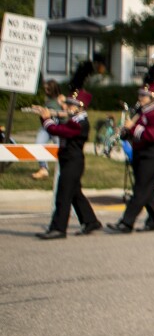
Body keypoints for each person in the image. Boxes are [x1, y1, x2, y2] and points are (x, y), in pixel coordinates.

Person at [29, 89, 102, 239]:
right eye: (68, 104)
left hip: (73, 162)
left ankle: (58, 228)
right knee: (75, 194)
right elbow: (60, 119)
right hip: (70, 161)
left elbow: (56, 130)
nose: (67, 107)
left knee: (63, 196)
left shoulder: (79, 123)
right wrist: (47, 114)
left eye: (71, 104)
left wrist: (46, 119)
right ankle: (90, 221)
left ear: (80, 107)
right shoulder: (75, 118)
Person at [109, 83, 154, 233]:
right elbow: (135, 133)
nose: (140, 98)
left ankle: (126, 222)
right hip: (141, 153)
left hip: (152, 155)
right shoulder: (142, 111)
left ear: (152, 97)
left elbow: (153, 135)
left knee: (141, 189)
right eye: (140, 94)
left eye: (144, 95)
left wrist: (132, 127)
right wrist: (125, 132)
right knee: (148, 189)